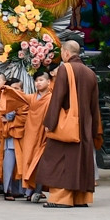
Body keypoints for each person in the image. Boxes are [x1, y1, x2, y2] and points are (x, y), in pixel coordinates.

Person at [39, 39, 99, 207]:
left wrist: (50, 122)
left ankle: (62, 199)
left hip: (67, 126)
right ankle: (80, 199)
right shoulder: (90, 73)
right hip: (85, 125)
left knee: (59, 160)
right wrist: (94, 129)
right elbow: (95, 105)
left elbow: (58, 97)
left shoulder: (65, 68)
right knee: (81, 161)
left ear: (65, 53)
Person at [18, 70, 53, 203]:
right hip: (31, 134)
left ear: (49, 82)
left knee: (40, 163)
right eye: (36, 81)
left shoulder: (52, 98)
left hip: (45, 135)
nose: (38, 83)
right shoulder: (32, 97)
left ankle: (38, 190)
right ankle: (30, 190)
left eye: (41, 80)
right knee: (28, 160)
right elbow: (18, 97)